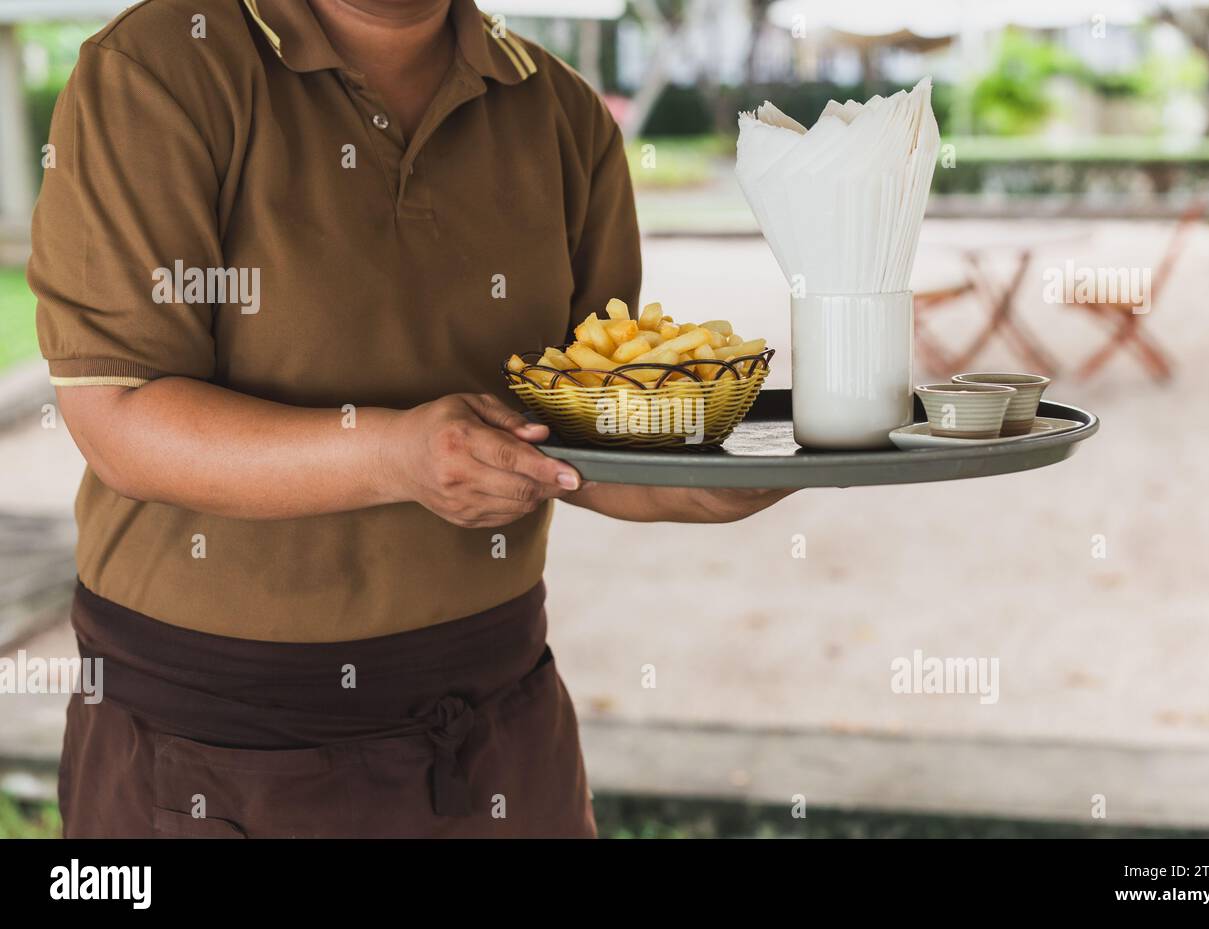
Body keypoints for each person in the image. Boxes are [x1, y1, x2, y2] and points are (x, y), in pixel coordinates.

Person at [29, 0, 789, 838]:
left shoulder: (560, 113)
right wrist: (392, 456)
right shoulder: (162, 68)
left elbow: (571, 437)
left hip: (497, 733)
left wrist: (700, 489)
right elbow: (118, 414)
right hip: (211, 752)